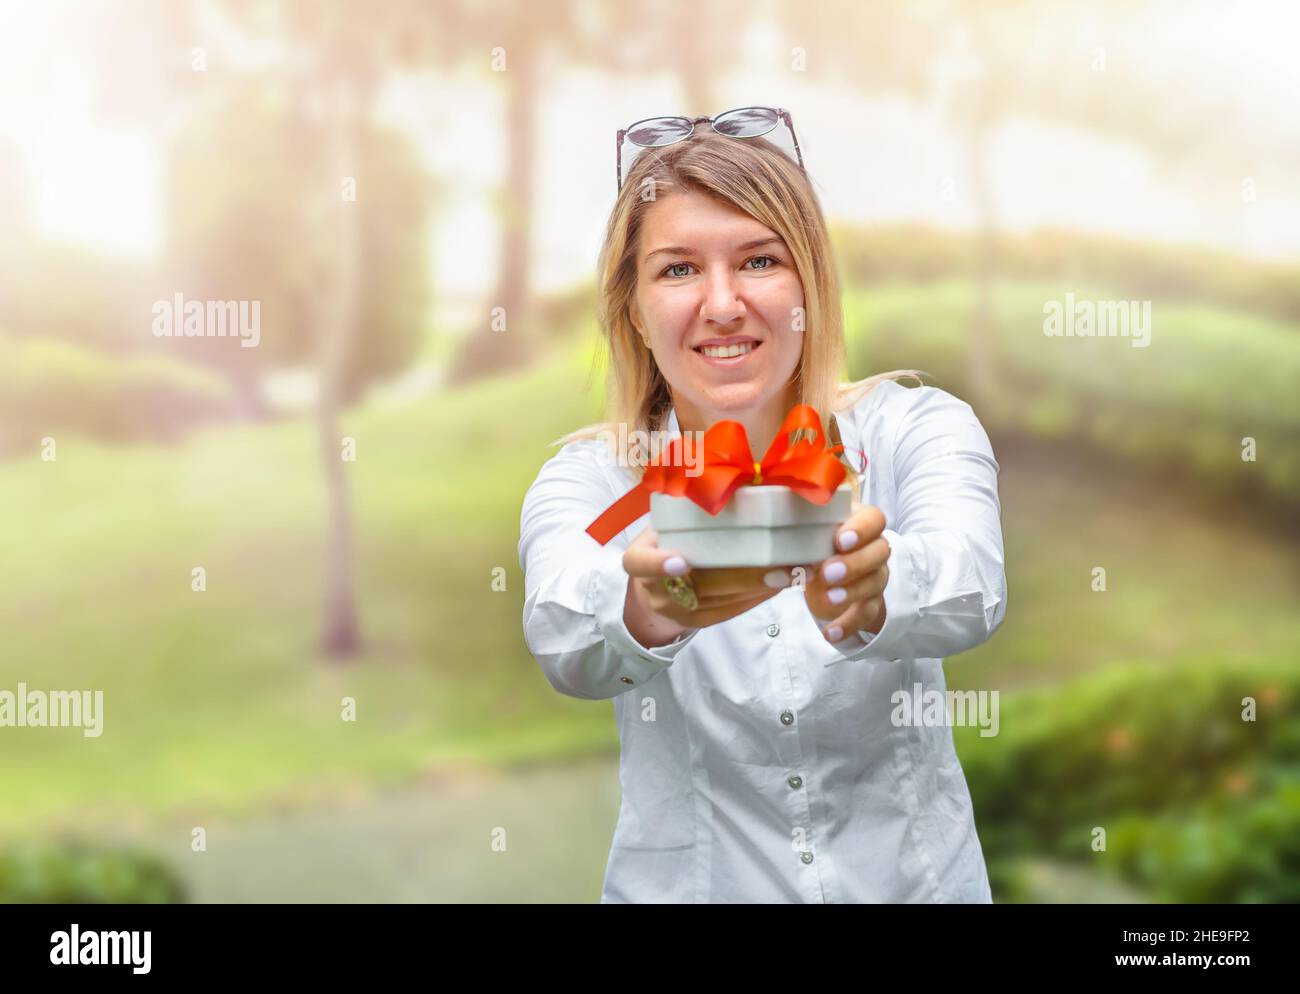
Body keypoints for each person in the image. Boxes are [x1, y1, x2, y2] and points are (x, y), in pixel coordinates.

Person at [517, 109, 1008, 903]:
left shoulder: (917, 426)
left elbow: (974, 584)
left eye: (758, 261)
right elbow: (559, 627)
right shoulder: (592, 483)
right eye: (677, 270)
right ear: (634, 308)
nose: (722, 303)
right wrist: (641, 606)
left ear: (810, 284)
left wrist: (879, 589)